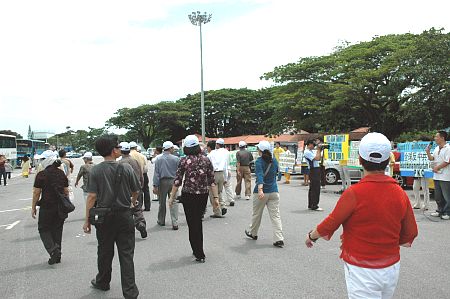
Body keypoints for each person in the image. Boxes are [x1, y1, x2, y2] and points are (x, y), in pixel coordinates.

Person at [305, 132, 418, 299]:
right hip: (391, 267)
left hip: (361, 268)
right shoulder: (399, 192)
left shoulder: (354, 193)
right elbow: (411, 232)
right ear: (388, 161)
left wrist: (312, 236)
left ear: (359, 160)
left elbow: (332, 221)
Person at [83, 135, 140, 299]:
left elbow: (92, 196)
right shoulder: (126, 168)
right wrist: (132, 202)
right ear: (113, 150)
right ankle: (130, 292)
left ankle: (103, 281)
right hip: (124, 216)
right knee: (126, 254)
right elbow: (136, 190)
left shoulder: (96, 170)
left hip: (104, 218)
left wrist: (87, 220)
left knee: (104, 251)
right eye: (117, 147)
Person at [169, 135, 219, 263]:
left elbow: (177, 181)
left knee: (192, 224)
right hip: (203, 195)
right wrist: (216, 198)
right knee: (198, 222)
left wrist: (171, 197)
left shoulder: (184, 160)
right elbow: (212, 181)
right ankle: (198, 250)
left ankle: (198, 251)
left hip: (189, 195)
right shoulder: (206, 160)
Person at [245, 140, 284, 248]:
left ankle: (253, 233)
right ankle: (279, 238)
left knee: (257, 214)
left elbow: (260, 175)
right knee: (276, 216)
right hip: (274, 191)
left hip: (262, 193)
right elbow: (278, 173)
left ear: (260, 151)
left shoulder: (259, 161)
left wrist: (261, 189)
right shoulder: (274, 160)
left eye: (258, 149)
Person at [31, 156, 69, 265]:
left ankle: (53, 250)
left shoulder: (41, 174)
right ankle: (58, 256)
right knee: (57, 229)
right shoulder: (61, 174)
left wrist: (33, 207)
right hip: (60, 206)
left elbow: (36, 192)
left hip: (46, 206)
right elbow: (66, 190)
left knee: (43, 229)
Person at [118, 142, 147, 239]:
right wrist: (141, 186)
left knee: (126, 211)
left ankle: (128, 231)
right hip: (137, 188)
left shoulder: (119, 163)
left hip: (125, 191)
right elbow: (141, 175)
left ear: (121, 151)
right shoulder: (135, 161)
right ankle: (140, 224)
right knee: (137, 208)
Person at [153, 141, 180, 230]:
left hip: (162, 182)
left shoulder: (158, 159)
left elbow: (156, 173)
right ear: (171, 148)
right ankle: (175, 222)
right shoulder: (176, 159)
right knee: (174, 201)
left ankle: (161, 220)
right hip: (173, 181)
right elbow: (179, 172)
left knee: (162, 202)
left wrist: (155, 185)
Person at [426, 130, 450, 220]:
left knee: (447, 196)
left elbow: (447, 161)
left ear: (442, 138)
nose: (435, 138)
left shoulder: (448, 148)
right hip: (437, 175)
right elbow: (432, 158)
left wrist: (437, 167)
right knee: (438, 195)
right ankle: (440, 210)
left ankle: (447, 212)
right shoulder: (436, 148)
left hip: (446, 176)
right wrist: (428, 152)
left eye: (437, 137)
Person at [207, 139, 228, 217]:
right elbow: (225, 166)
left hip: (213, 174)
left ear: (209, 147)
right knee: (219, 192)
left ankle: (217, 212)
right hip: (221, 174)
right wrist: (225, 178)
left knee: (213, 194)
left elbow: (207, 167)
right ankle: (223, 206)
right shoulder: (221, 154)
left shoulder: (209, 155)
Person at [304, 140, 323, 211]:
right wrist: (318, 149)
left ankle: (311, 204)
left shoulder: (311, 151)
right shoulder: (307, 152)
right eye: (313, 145)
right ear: (309, 144)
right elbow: (317, 158)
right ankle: (314, 205)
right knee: (315, 187)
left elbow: (319, 158)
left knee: (313, 188)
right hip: (313, 170)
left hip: (315, 169)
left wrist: (320, 150)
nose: (314, 146)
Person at [137, 145, 151, 212]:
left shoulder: (133, 156)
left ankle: (140, 206)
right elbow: (146, 166)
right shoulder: (143, 156)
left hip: (138, 175)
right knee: (146, 190)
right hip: (144, 174)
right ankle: (147, 206)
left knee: (139, 191)